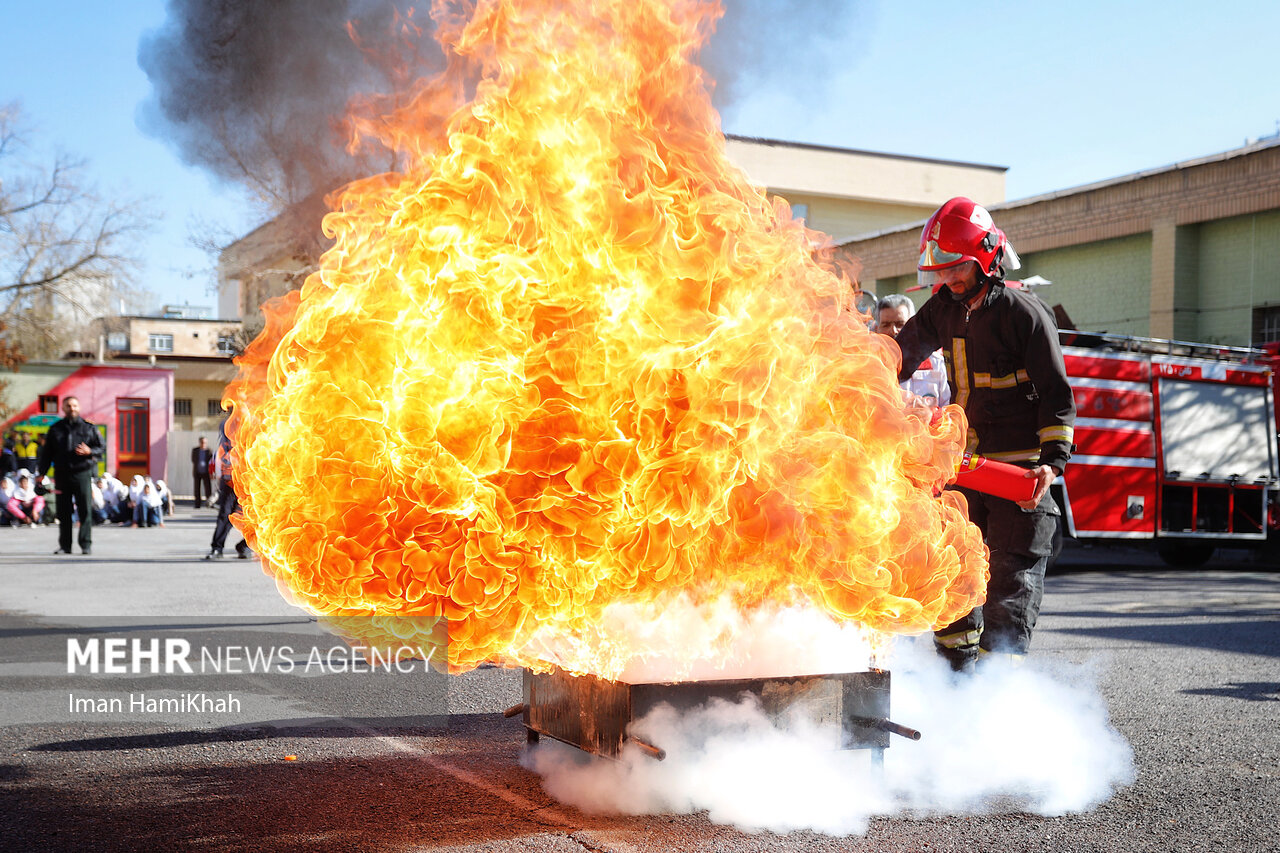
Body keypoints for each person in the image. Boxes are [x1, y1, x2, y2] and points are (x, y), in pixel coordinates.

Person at [894, 197, 1075, 671]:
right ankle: (954, 682)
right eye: (943, 270)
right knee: (952, 573)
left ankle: (996, 698)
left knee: (1008, 586)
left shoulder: (1025, 314)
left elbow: (1058, 395)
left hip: (1019, 476)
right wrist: (858, 378)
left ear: (986, 257)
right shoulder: (943, 310)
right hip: (967, 470)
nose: (949, 279)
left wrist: (1051, 464)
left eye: (958, 268)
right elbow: (900, 355)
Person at [35, 396, 105, 555]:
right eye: (68, 406)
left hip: (82, 473)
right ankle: (65, 546)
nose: (71, 408)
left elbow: (101, 447)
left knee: (85, 510)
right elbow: (47, 455)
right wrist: (41, 475)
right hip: (62, 475)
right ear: (63, 408)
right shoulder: (55, 429)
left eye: (74, 405)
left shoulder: (89, 428)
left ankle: (85, 544)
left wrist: (90, 452)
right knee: (63, 511)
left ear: (79, 407)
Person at [874, 293, 951, 408]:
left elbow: (948, 407)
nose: (893, 331)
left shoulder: (936, 364)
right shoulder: (869, 367)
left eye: (900, 324)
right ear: (876, 329)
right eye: (886, 325)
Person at [205, 419, 250, 559]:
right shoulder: (226, 445)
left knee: (251, 519)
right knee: (225, 516)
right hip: (230, 484)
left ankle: (245, 546)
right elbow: (219, 462)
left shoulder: (252, 441)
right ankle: (217, 548)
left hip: (248, 487)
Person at [191, 436, 214, 509]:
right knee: (197, 489)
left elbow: (211, 462)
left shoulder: (209, 451)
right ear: (199, 442)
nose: (203, 444)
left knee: (208, 489)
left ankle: (209, 503)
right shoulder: (195, 450)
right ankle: (197, 504)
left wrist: (212, 472)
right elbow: (193, 460)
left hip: (206, 473)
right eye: (202, 442)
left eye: (204, 442)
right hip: (197, 472)